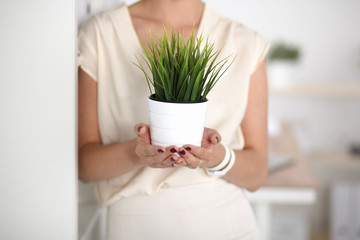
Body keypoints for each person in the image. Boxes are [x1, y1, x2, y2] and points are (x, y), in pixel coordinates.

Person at [78, 0, 269, 239]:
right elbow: (85, 166)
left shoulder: (244, 42)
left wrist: (216, 157)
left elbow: (257, 174)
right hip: (135, 227)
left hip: (228, 223)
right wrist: (137, 152)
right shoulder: (101, 34)